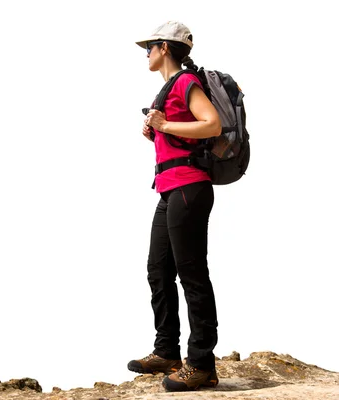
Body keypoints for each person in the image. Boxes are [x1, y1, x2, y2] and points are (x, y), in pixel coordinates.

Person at [127, 21, 222, 392]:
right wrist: (158, 128)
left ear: (165, 47)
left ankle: (201, 364)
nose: (145, 53)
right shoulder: (165, 91)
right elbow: (180, 129)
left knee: (192, 274)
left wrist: (165, 126)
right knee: (158, 269)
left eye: (148, 47)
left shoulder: (184, 82)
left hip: (189, 188)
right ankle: (167, 350)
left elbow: (211, 124)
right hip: (169, 190)